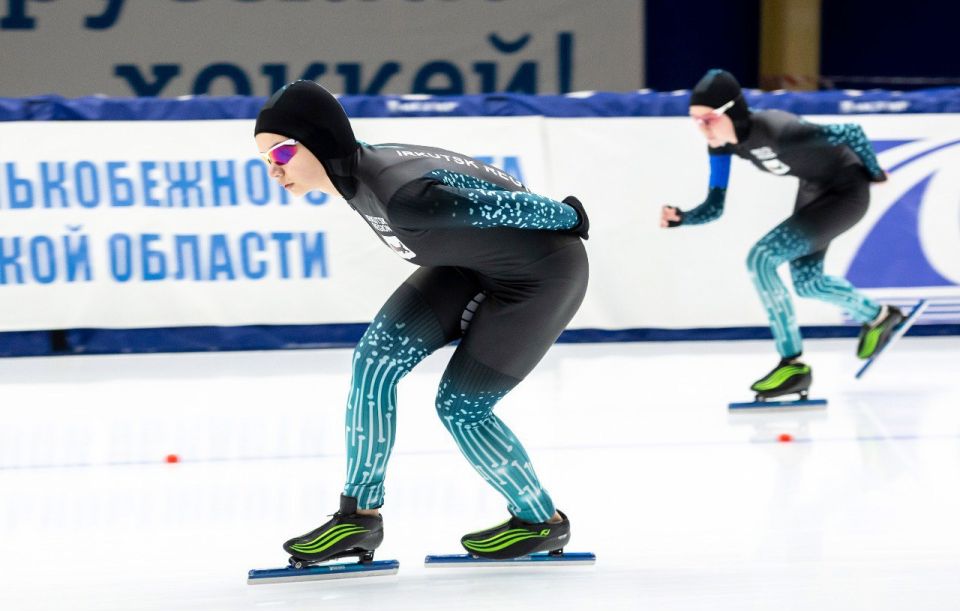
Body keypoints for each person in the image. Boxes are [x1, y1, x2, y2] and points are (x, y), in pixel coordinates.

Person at [254, 80, 588, 563]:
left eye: (281, 154)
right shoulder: (357, 174)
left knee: (460, 407)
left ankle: (540, 521)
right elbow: (472, 179)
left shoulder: (402, 194)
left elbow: (501, 201)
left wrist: (567, 216)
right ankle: (357, 519)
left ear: (319, 142)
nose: (273, 170)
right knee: (374, 362)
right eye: (265, 159)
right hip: (470, 265)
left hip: (541, 278)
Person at [661, 69, 903, 400]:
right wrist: (683, 218)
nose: (702, 130)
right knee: (808, 283)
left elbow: (851, 130)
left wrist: (875, 173)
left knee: (761, 258)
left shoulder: (778, 129)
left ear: (732, 110)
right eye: (696, 121)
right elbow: (715, 206)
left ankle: (793, 364)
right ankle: (879, 317)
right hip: (816, 191)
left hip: (847, 193)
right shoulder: (721, 145)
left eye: (708, 119)